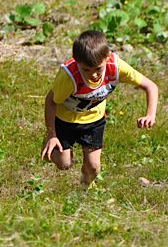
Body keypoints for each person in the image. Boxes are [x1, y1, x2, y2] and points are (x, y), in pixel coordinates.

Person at [41, 30, 158, 187]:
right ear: (76, 62)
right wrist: (51, 134)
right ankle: (51, 146)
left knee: (94, 168)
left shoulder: (115, 67)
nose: (93, 75)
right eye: (86, 70)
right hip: (64, 120)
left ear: (107, 56)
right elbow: (51, 101)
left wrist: (150, 115)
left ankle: (83, 189)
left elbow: (150, 86)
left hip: (93, 120)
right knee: (64, 164)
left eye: (98, 69)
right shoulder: (69, 77)